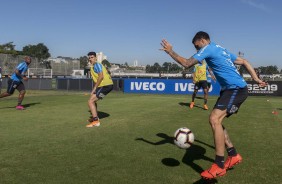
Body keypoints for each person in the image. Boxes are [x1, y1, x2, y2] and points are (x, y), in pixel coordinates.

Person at [160, 31, 267, 179]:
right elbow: (244, 61)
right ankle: (233, 155)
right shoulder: (220, 48)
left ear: (203, 40)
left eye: (197, 47)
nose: (198, 51)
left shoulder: (208, 48)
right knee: (217, 121)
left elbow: (186, 64)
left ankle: (219, 165)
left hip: (235, 88)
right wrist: (256, 79)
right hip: (230, 90)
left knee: (214, 119)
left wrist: (170, 51)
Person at [86, 51, 113, 128]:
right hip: (104, 85)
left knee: (90, 101)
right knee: (92, 100)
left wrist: (94, 88)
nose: (90, 59)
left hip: (105, 86)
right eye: (89, 58)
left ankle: (96, 121)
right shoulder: (95, 65)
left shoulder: (96, 65)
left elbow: (101, 77)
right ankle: (95, 117)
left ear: (95, 58)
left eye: (92, 57)